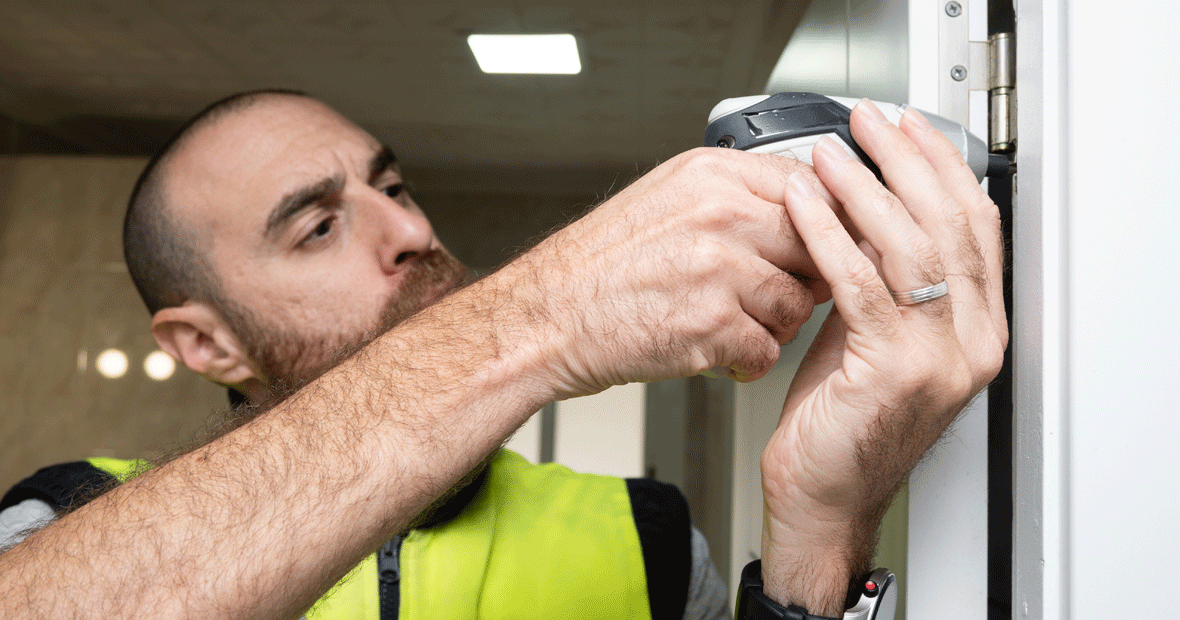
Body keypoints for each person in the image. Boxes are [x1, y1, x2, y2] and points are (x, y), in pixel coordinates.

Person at [0, 89, 1006, 620]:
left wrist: (823, 532)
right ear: (203, 339)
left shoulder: (646, 539)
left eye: (388, 187)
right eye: (314, 227)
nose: (406, 229)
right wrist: (548, 311)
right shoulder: (69, 519)